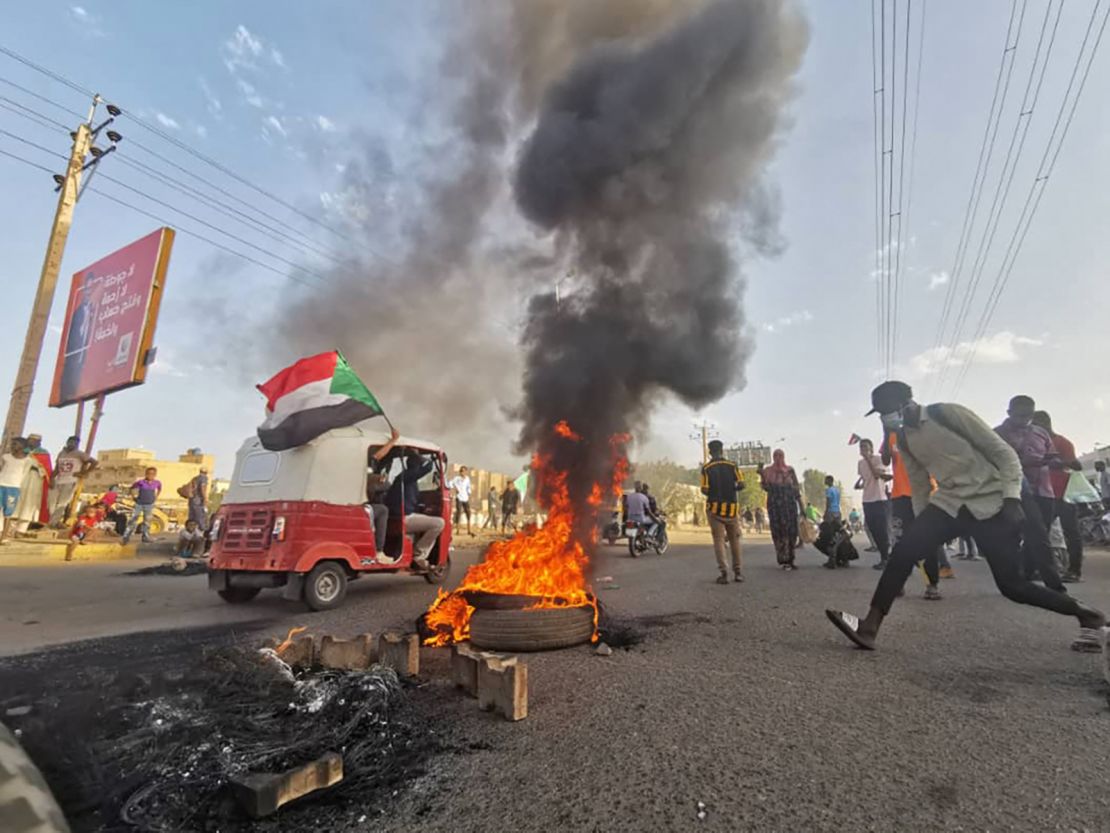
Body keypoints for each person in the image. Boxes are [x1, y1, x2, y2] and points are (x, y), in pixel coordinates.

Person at [827, 381, 1106, 653]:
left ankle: (1086, 613)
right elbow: (920, 486)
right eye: (880, 415)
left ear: (905, 403)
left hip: (991, 501)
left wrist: (1011, 498)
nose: (885, 419)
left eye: (886, 411)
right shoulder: (904, 439)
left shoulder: (947, 414)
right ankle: (869, 627)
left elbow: (1004, 454)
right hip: (950, 502)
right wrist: (923, 531)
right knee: (903, 552)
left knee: (1013, 586)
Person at [995, 395, 1064, 592]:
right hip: (1015, 491)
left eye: (1028, 415)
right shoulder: (997, 434)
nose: (1024, 419)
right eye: (1020, 415)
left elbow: (1053, 457)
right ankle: (1055, 585)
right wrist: (1023, 462)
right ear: (1009, 413)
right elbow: (994, 462)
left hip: (1044, 490)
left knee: (1041, 533)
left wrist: (1055, 462)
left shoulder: (1041, 433)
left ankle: (1023, 576)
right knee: (1033, 535)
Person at [882, 428, 954, 601]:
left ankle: (932, 585)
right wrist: (885, 433)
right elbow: (885, 460)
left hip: (924, 494)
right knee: (899, 542)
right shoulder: (892, 436)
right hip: (900, 496)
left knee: (927, 541)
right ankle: (898, 584)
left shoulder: (925, 432)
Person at [1032, 411, 1084, 582]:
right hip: (1045, 494)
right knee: (1039, 532)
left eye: (1038, 424)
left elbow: (1075, 465)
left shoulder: (1062, 442)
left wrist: (1058, 463)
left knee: (1071, 532)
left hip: (1064, 494)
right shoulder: (1036, 444)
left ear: (1046, 423)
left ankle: (1074, 571)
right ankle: (1038, 569)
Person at [386, 451, 445, 570]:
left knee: (424, 522)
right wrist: (426, 459)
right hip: (405, 518)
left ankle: (413, 555)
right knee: (439, 523)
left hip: (399, 516)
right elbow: (428, 467)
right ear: (416, 465)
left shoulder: (405, 478)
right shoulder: (407, 476)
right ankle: (419, 556)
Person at [701, 440, 745, 583]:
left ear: (709, 452)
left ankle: (724, 573)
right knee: (734, 540)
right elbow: (741, 484)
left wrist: (715, 491)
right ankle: (738, 572)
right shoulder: (732, 466)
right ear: (722, 450)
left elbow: (705, 489)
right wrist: (731, 489)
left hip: (715, 509)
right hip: (732, 509)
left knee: (719, 540)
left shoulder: (706, 468)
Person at [759, 449, 803, 571]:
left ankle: (791, 559)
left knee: (791, 531)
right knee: (779, 532)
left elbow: (796, 489)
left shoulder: (790, 470)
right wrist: (761, 474)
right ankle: (784, 559)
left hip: (789, 506)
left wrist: (802, 507)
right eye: (776, 456)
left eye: (780, 455)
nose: (778, 458)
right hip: (775, 507)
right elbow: (766, 487)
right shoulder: (768, 471)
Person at [855, 438, 892, 569]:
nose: (862, 449)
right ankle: (883, 556)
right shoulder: (860, 463)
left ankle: (886, 558)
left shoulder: (878, 459)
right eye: (861, 447)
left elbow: (877, 476)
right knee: (873, 529)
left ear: (871, 448)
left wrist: (868, 459)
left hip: (879, 499)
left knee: (882, 530)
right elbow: (865, 479)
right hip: (867, 500)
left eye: (865, 447)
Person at [366, 428, 401, 554]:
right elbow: (377, 457)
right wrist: (394, 440)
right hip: (363, 506)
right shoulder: (366, 469)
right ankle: (379, 549)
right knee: (383, 510)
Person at [50, 435, 95, 527]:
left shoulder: (79, 454)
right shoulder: (61, 453)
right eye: (71, 442)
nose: (72, 444)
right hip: (59, 480)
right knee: (52, 502)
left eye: (75, 443)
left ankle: (53, 523)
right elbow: (57, 468)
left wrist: (83, 473)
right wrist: (52, 478)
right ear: (67, 442)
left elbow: (94, 462)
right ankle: (53, 521)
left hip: (70, 480)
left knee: (62, 503)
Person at [12, 435, 49, 535]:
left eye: (33, 440)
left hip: (35, 479)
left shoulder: (43, 453)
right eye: (29, 440)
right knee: (16, 501)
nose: (30, 442)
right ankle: (10, 528)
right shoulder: (21, 451)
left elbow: (47, 469)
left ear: (38, 442)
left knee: (29, 503)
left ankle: (21, 529)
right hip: (20, 477)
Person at [0, 438, 34, 545]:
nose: (13, 446)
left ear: (22, 446)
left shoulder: (28, 460)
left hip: (13, 488)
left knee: (8, 514)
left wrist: (18, 487)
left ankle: (4, 537)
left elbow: (24, 475)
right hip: (1, 485)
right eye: (12, 444)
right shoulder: (6, 457)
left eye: (15, 444)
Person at [122, 467, 162, 545]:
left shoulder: (157, 483)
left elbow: (159, 489)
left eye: (152, 474)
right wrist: (133, 497)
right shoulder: (141, 482)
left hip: (149, 504)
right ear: (146, 474)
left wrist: (156, 497)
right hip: (139, 504)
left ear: (155, 475)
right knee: (133, 520)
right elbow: (132, 488)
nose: (150, 475)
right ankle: (126, 537)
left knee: (147, 521)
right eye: (149, 473)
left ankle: (145, 537)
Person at [449, 465, 474, 537]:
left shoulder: (467, 479)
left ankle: (469, 530)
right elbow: (450, 483)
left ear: (466, 472)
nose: (462, 472)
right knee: (459, 512)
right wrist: (455, 488)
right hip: (459, 497)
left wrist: (469, 493)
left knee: (468, 512)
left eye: (464, 471)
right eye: (461, 471)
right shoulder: (457, 478)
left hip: (465, 497)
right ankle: (458, 530)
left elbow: (468, 487)